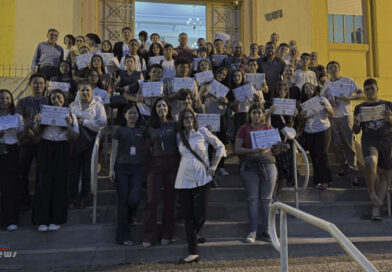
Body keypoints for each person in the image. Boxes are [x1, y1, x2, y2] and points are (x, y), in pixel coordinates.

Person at [175, 108, 226, 263]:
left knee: (201, 213)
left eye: (191, 117)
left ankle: (192, 236)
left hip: (203, 176)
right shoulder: (179, 136)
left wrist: (214, 166)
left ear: (195, 119)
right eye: (185, 118)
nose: (189, 120)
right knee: (188, 216)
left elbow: (220, 147)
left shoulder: (203, 132)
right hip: (184, 178)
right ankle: (193, 252)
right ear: (182, 121)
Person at [32, 90, 79, 231]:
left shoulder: (70, 114)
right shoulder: (42, 113)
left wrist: (69, 124)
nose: (56, 100)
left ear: (64, 99)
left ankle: (56, 219)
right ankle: (42, 219)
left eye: (59, 97)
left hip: (61, 146)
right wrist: (39, 122)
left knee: (59, 182)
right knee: (43, 182)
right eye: (53, 98)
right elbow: (35, 133)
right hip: (45, 146)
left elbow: (75, 136)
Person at [234, 103, 278, 243]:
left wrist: (278, 146)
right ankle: (253, 231)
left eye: (259, 112)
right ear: (250, 114)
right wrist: (254, 151)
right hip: (250, 165)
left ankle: (267, 231)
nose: (257, 115)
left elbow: (275, 148)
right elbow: (237, 149)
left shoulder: (268, 128)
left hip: (268, 164)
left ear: (263, 115)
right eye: (254, 112)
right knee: (253, 199)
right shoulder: (243, 129)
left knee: (266, 200)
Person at [353, 78, 392, 220]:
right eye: (366, 89)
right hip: (369, 140)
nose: (369, 91)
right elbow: (356, 131)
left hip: (386, 140)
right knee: (370, 163)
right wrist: (356, 123)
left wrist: (390, 119)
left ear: (377, 89)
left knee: (382, 173)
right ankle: (371, 194)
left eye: (372, 88)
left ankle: (376, 210)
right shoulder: (359, 108)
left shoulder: (387, 104)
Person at [143, 98, 179, 247]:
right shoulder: (151, 127)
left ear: (168, 108)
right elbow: (146, 148)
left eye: (164, 105)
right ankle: (149, 235)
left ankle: (167, 233)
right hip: (155, 164)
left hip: (172, 163)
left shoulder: (175, 125)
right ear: (155, 109)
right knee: (152, 200)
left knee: (170, 201)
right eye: (159, 106)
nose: (162, 108)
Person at [321, 61, 364, 183]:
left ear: (339, 68)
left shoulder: (348, 81)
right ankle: (344, 167)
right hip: (333, 117)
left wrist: (349, 98)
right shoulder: (327, 85)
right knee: (337, 144)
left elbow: (362, 94)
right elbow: (322, 100)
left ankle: (353, 171)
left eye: (335, 67)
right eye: (330, 68)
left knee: (349, 144)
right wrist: (329, 102)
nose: (333, 69)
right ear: (327, 71)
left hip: (346, 116)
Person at [109, 103, 146, 245]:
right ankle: (123, 236)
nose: (132, 115)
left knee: (134, 198)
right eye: (130, 113)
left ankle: (131, 216)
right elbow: (114, 150)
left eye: (135, 113)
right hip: (121, 168)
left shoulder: (142, 130)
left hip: (137, 168)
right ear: (125, 115)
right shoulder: (119, 130)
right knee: (123, 201)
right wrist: (111, 169)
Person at [69, 82, 107, 209]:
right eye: (82, 90)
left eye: (87, 90)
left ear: (92, 92)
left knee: (87, 172)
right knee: (73, 172)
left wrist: (84, 122)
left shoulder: (98, 106)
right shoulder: (72, 106)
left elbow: (101, 124)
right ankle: (73, 198)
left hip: (89, 143)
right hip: (74, 143)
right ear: (79, 92)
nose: (85, 92)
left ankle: (85, 198)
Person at [16, 73, 49, 211]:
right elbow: (19, 122)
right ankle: (25, 201)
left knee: (42, 174)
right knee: (22, 173)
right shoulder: (22, 102)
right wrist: (31, 135)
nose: (38, 86)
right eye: (35, 83)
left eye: (41, 83)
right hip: (26, 142)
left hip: (44, 141)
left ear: (45, 85)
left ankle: (40, 201)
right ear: (30, 84)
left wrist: (38, 137)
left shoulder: (49, 101)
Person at [299, 82, 333, 190]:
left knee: (322, 154)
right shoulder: (302, 104)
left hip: (323, 129)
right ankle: (317, 180)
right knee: (313, 156)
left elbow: (331, 113)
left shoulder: (322, 99)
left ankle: (325, 181)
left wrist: (325, 107)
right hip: (309, 131)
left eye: (310, 87)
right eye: (306, 88)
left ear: (314, 89)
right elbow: (300, 122)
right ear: (303, 91)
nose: (308, 89)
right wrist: (301, 116)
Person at [0, 89, 24, 231]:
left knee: (11, 186)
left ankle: (11, 219)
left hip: (11, 150)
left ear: (11, 100)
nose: (4, 101)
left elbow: (21, 136)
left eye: (7, 98)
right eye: (1, 98)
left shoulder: (16, 117)